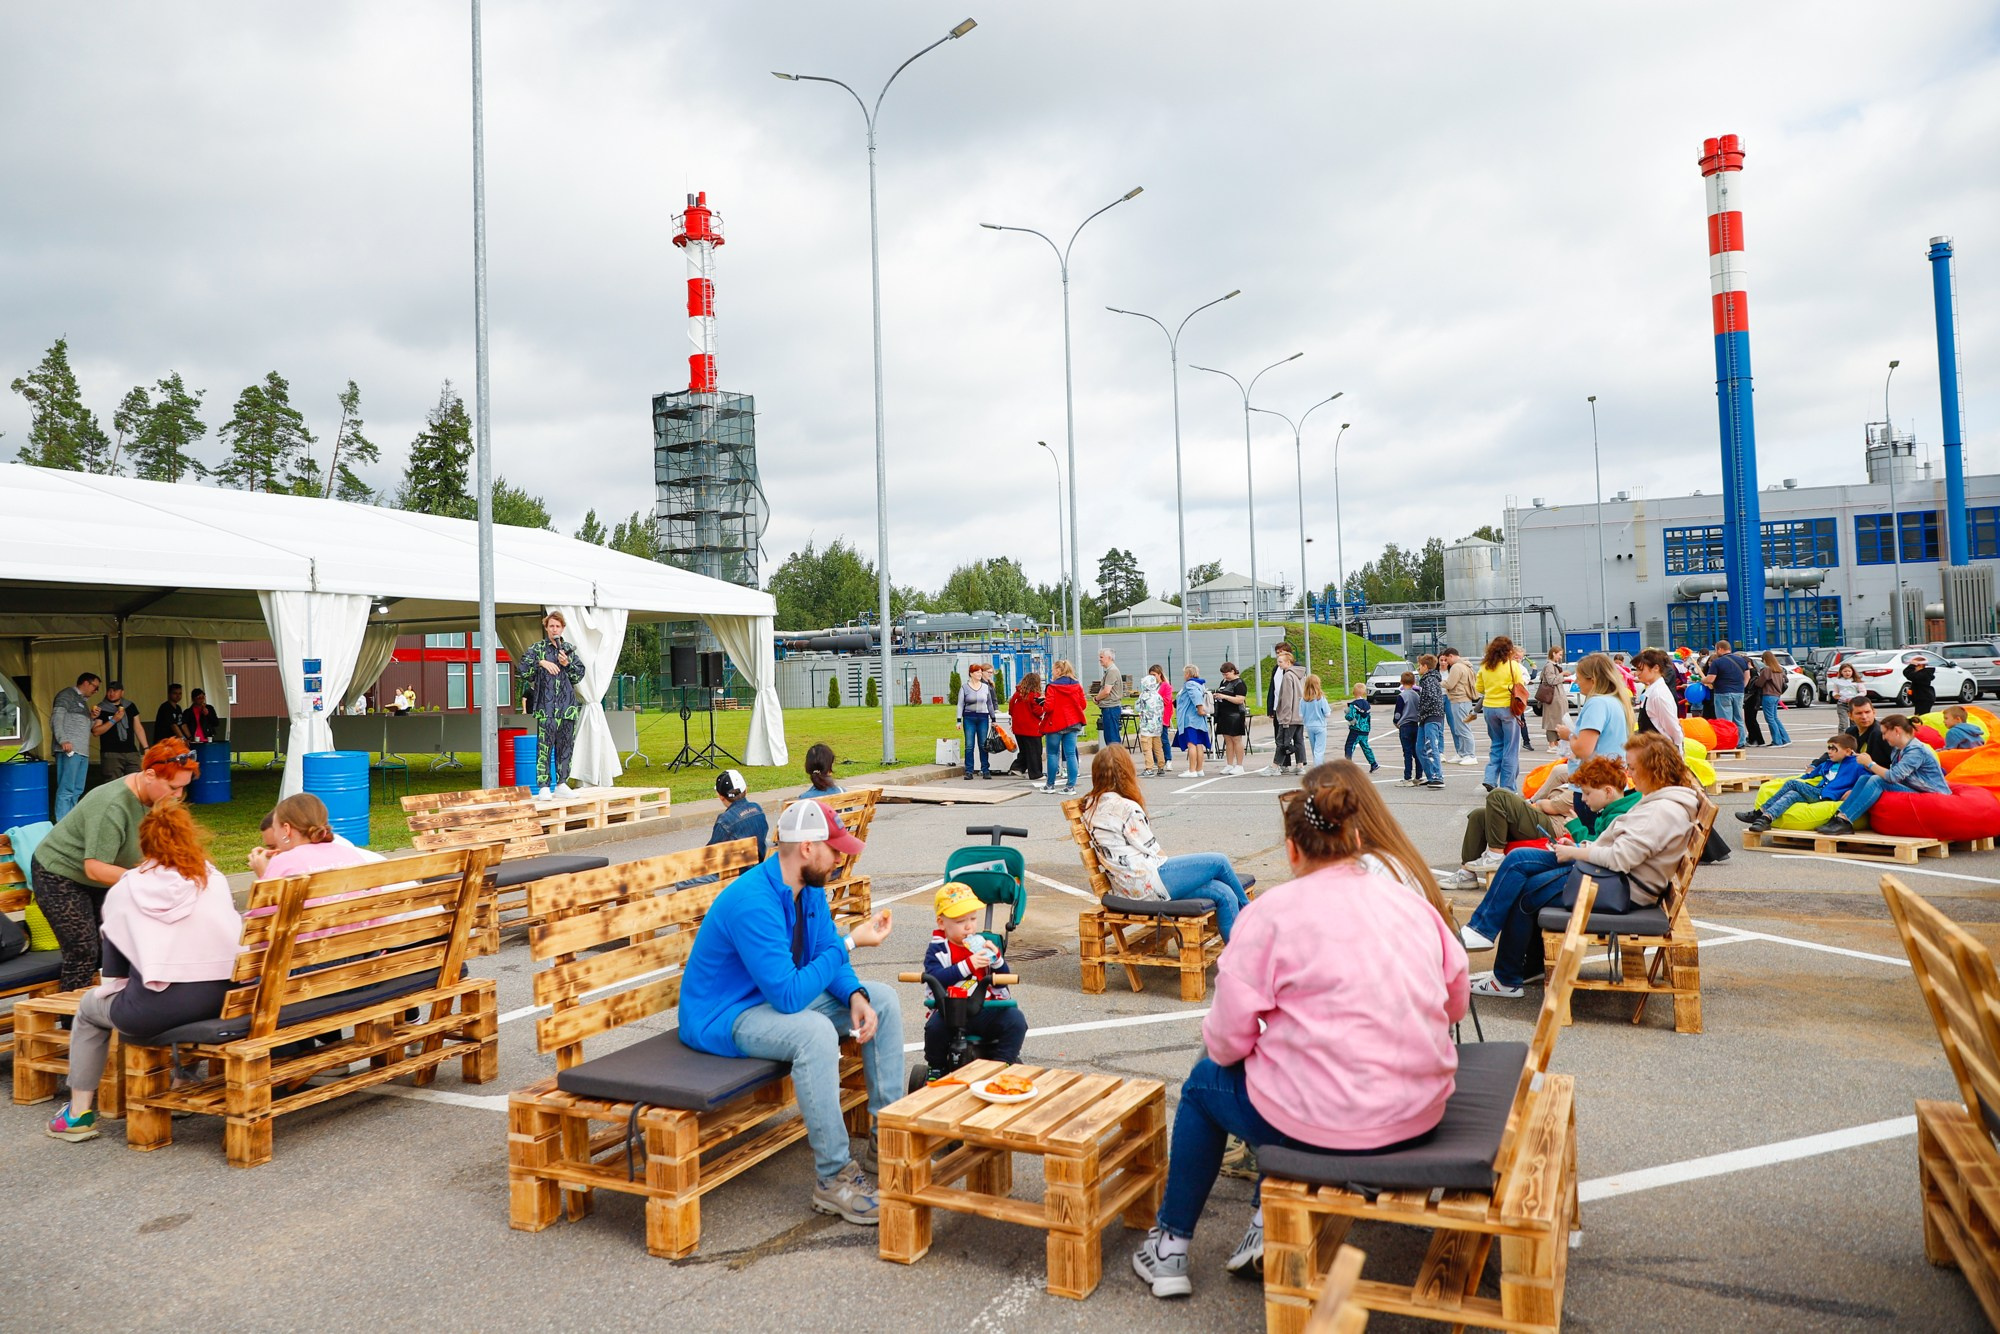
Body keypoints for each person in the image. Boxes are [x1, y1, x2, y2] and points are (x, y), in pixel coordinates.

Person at [1130, 772, 1467, 1298]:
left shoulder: (1270, 915)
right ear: (1356, 839)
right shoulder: (1410, 904)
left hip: (1326, 1125)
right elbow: (1455, 1002)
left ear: (1291, 851)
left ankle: (1169, 1247)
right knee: (1290, 1077)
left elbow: (1225, 1042)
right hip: (1418, 1110)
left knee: (1204, 1086)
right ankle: (1263, 1216)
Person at [677, 799, 901, 1225]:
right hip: (725, 1015)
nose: (842, 857)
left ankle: (887, 1141)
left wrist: (854, 994)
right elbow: (790, 997)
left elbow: (821, 954)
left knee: (882, 999)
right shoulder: (753, 901)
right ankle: (833, 1179)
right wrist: (851, 943)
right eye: (834, 849)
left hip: (770, 996)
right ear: (806, 849)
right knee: (814, 1032)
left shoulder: (808, 890)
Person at [42, 800, 243, 1144]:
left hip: (152, 1010)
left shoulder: (126, 888)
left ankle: (77, 1114)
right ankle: (181, 1083)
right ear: (191, 838)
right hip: (222, 1000)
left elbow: (115, 972)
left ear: (144, 844)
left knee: (90, 1010)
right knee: (191, 984)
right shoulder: (212, 878)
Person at [1472, 734, 1703, 998]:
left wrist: (1576, 853)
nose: (1629, 774)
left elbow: (1620, 859)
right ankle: (1487, 937)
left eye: (1634, 768)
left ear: (1654, 770)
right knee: (1520, 860)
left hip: (1618, 888)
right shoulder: (1661, 801)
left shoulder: (1662, 810)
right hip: (1612, 880)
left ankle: (1506, 975)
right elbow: (1621, 853)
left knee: (1527, 890)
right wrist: (1581, 850)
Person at [31, 738, 201, 992]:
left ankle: (111, 1014)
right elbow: (95, 868)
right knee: (83, 951)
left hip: (104, 877)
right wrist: (148, 881)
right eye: (173, 787)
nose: (178, 796)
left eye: (183, 789)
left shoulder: (158, 799)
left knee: (117, 946)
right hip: (60, 875)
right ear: (150, 775)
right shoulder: (111, 805)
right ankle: (73, 1025)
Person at [1456, 756, 1639, 949]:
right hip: (1598, 873)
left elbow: (1608, 852)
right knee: (1520, 867)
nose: (1582, 799)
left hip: (1601, 880)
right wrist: (1577, 847)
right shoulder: (1620, 808)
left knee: (1521, 870)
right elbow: (1603, 845)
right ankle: (1490, 939)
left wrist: (1576, 845)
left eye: (1586, 793)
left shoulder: (1621, 813)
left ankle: (1485, 933)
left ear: (1608, 791)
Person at [1083, 747, 1250, 938]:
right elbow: (1155, 853)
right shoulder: (1126, 808)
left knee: (1223, 892)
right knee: (1218, 861)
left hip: (1125, 887)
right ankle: (1254, 916)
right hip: (1146, 885)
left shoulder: (1090, 805)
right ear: (1127, 772)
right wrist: (1185, 873)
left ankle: (1241, 960)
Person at [921, 881, 1027, 1071]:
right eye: (961, 922)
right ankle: (936, 1068)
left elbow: (1003, 979)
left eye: (973, 919)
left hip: (986, 1007)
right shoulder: (938, 949)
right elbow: (936, 977)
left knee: (1016, 1021)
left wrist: (997, 961)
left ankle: (1002, 1063)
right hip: (951, 1011)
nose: (969, 927)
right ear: (941, 923)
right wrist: (967, 965)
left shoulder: (983, 944)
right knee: (934, 1029)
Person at [1814, 714, 1950, 836]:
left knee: (1876, 780)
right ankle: (1839, 817)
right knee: (1864, 778)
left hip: (1932, 794)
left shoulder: (1916, 751)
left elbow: (1893, 777)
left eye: (1885, 733)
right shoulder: (1899, 749)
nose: (1883, 737)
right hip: (1917, 789)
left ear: (1897, 731)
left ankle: (1846, 820)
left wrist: (1870, 763)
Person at [1438, 776, 1577, 889]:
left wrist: (1539, 803)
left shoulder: (1585, 782)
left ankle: (1495, 855)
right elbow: (1542, 797)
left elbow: (1553, 806)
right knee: (1479, 815)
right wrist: (1535, 802)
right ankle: (1466, 874)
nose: (1569, 754)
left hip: (1554, 827)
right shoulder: (1568, 770)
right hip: (1542, 817)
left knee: (1498, 795)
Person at [1735, 734, 1864, 832]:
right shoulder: (1828, 764)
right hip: (1817, 793)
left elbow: (1867, 779)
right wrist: (1809, 770)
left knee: (1793, 784)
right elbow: (1808, 775)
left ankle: (1759, 812)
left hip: (1826, 795)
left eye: (1833, 748)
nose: (1829, 751)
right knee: (1792, 794)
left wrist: (1854, 790)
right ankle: (1765, 819)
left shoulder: (1857, 764)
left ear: (1848, 751)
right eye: (1828, 748)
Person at [517, 610, 585, 793]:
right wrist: (540, 662)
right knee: (544, 747)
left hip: (567, 708)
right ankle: (544, 786)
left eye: (558, 626)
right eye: (551, 626)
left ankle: (562, 783)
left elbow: (579, 675)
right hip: (545, 708)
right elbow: (523, 668)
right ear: (546, 628)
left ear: (563, 628)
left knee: (565, 747)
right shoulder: (537, 648)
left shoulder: (569, 650)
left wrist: (567, 664)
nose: (554, 629)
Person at [1557, 653, 1634, 776]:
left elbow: (1583, 750)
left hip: (1594, 781)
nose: (1576, 682)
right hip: (1612, 777)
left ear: (1592, 680)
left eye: (1579, 677)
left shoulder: (1596, 704)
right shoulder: (1616, 700)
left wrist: (1569, 735)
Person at [1476, 636, 1529, 793]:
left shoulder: (1485, 666)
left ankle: (1490, 778)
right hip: (1508, 708)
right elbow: (1519, 684)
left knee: (1497, 744)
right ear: (1509, 650)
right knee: (1511, 748)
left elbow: (1479, 688)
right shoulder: (1513, 665)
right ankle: (1508, 787)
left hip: (1489, 708)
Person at [49, 671, 102, 820]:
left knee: (77, 790)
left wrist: (92, 718)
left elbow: (81, 726)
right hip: (69, 749)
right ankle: (62, 826)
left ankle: (70, 822)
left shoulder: (82, 701)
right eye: (95, 687)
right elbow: (56, 718)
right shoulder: (67, 695)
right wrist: (63, 740)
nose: (96, 691)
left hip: (82, 751)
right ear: (86, 683)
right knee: (66, 789)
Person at [1042, 660, 1089, 794]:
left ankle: (1050, 785)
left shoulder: (1052, 687)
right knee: (1070, 754)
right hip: (1073, 722)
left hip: (1055, 723)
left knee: (1052, 754)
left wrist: (1043, 704)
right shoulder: (1077, 685)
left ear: (1058, 670)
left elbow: (1049, 707)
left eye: (1053, 669)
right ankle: (1070, 787)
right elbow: (1083, 705)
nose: (1052, 672)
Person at [708, 769, 769, 859]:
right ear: (746, 790)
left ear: (721, 797)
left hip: (737, 870)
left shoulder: (724, 821)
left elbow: (710, 854)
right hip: (759, 864)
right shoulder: (757, 809)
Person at [1267, 642, 1307, 776]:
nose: (1279, 663)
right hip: (1298, 713)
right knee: (1297, 739)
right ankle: (1299, 764)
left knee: (1282, 740)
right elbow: (1273, 689)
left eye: (1281, 661)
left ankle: (1276, 765)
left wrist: (1285, 717)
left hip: (1289, 714)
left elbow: (1287, 698)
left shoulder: (1289, 675)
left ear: (1288, 660)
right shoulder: (1299, 673)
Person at [94, 681, 147, 782]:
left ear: (122, 692)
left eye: (115, 691)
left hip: (131, 751)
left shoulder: (130, 706)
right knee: (112, 784)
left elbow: (138, 727)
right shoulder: (101, 708)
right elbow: (96, 731)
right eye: (109, 690)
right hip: (111, 752)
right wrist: (114, 720)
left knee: (136, 781)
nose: (112, 693)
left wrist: (146, 748)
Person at [1632, 649, 1685, 746]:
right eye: (1636, 669)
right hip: (1651, 748)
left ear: (1656, 668)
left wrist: (1677, 750)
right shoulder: (1652, 690)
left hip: (1661, 751)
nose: (1637, 673)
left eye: (1641, 669)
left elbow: (1673, 728)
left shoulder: (1659, 695)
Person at [957, 662, 996, 782]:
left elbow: (989, 703)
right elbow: (960, 704)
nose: (980, 674)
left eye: (980, 672)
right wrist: (958, 720)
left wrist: (993, 719)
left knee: (983, 745)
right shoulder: (965, 687)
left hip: (983, 718)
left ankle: (985, 770)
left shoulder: (985, 687)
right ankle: (969, 771)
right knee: (969, 745)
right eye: (977, 672)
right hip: (969, 718)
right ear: (971, 674)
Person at [1008, 671, 1048, 785]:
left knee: (1025, 750)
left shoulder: (1016, 695)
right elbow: (1038, 712)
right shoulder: (1034, 696)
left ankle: (1018, 767)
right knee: (1035, 751)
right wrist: (1044, 705)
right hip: (1031, 728)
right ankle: (1035, 773)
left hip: (1018, 728)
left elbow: (1010, 710)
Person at [1441, 647, 1479, 765]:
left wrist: (1437, 683)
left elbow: (1450, 684)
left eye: (1447, 659)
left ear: (1451, 656)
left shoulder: (1457, 667)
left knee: (1463, 728)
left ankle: (1470, 755)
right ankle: (1462, 753)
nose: (1446, 662)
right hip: (1463, 699)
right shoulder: (1466, 665)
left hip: (1460, 699)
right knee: (1459, 728)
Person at [1704, 639, 1751, 733]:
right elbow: (1748, 676)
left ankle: (1729, 741)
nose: (1715, 652)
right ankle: (1740, 741)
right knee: (1738, 719)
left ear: (1720, 649)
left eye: (1716, 650)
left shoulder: (1717, 662)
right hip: (1738, 692)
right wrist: (1742, 687)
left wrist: (1702, 680)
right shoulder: (1742, 660)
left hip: (1723, 692)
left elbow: (1710, 679)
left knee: (1725, 720)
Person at [1415, 653, 1448, 789]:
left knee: (1430, 746)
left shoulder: (1430, 680)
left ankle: (1437, 776)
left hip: (1432, 717)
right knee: (1420, 748)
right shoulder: (1426, 680)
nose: (1418, 669)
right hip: (1425, 718)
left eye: (1419, 666)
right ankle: (1430, 776)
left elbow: (1433, 699)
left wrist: (1421, 709)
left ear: (1425, 667)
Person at [1212, 662, 1249, 775]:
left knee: (1236, 739)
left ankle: (1239, 765)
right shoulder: (1224, 682)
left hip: (1235, 714)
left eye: (1227, 674)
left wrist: (1224, 696)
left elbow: (1240, 700)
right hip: (1224, 714)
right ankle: (1229, 764)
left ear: (1233, 671)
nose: (1225, 677)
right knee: (1227, 740)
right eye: (1223, 674)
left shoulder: (1239, 683)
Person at [1174, 665, 1211, 779]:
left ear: (1188, 674)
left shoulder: (1190, 684)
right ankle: (1199, 769)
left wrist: (1199, 708)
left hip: (1190, 719)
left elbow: (1195, 697)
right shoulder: (1200, 684)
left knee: (1191, 744)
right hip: (1198, 720)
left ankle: (1192, 770)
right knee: (1199, 744)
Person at [1843, 697, 1896, 768]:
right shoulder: (1850, 732)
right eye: (1859, 713)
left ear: (1874, 712)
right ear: (1850, 716)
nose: (1864, 717)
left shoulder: (1881, 733)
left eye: (1867, 712)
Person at [1135, 668, 1167, 777]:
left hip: (1146, 726)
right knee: (1158, 747)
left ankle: (1149, 768)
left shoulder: (1143, 696)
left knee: (1147, 748)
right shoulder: (1158, 696)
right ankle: (1161, 766)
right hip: (1157, 727)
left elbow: (1138, 708)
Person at [1757, 651, 1792, 747]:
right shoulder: (1779, 669)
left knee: (1770, 719)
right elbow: (1786, 680)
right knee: (1775, 718)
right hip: (1777, 695)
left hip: (1768, 695)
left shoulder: (1767, 670)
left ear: (1765, 659)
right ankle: (1785, 739)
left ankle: (1777, 741)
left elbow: (1759, 683)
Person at [1342, 682, 1378, 772]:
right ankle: (1373, 763)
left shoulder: (1353, 705)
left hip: (1356, 729)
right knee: (1365, 746)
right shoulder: (1367, 704)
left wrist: (1346, 714)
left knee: (1349, 746)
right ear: (1364, 693)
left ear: (1353, 692)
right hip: (1365, 729)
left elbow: (1350, 716)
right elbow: (1368, 717)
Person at [1536, 648, 1568, 751]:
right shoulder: (1549, 666)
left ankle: (1556, 743)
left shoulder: (1553, 665)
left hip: (1556, 696)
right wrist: (1562, 675)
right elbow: (1551, 681)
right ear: (1553, 653)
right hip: (1553, 697)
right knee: (1552, 721)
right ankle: (1552, 744)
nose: (1560, 657)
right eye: (1559, 654)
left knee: (1557, 720)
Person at [1093, 649, 1125, 750]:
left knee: (1112, 739)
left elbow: (1107, 691)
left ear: (1109, 658)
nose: (1100, 659)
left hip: (1111, 708)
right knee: (1110, 737)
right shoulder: (1110, 671)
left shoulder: (1112, 671)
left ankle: (1116, 762)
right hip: (1109, 708)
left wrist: (1096, 698)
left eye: (1102, 657)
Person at [1394, 670, 1421, 785]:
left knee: (1407, 752)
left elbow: (1398, 713)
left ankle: (1407, 777)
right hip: (1415, 724)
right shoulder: (1416, 695)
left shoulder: (1402, 696)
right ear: (1414, 682)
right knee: (1417, 751)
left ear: (1401, 682)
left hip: (1404, 725)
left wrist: (1396, 722)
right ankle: (1419, 775)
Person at [1300, 674, 1331, 768]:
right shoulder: (1321, 699)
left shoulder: (1303, 700)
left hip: (1309, 726)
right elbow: (1327, 714)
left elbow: (1301, 715)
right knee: (1319, 750)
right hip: (1320, 726)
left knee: (1315, 749)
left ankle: (1320, 765)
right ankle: (1318, 769)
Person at [1153, 663, 1177, 769]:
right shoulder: (1150, 686)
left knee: (1164, 738)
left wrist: (1155, 699)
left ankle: (1168, 759)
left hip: (1162, 715)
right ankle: (1155, 760)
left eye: (1154, 675)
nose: (1152, 677)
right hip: (1152, 716)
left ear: (1159, 674)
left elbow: (1168, 700)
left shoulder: (1166, 686)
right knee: (1153, 739)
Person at [1830, 662, 1866, 730]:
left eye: (1849, 671)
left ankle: (1854, 738)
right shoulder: (1838, 681)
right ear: (1841, 672)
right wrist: (1835, 695)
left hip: (1854, 705)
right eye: (1845, 671)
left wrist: (1854, 698)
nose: (1847, 673)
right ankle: (1842, 739)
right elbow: (1835, 691)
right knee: (1843, 723)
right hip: (1842, 704)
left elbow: (1863, 692)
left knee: (1854, 723)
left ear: (1852, 671)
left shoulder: (1856, 681)